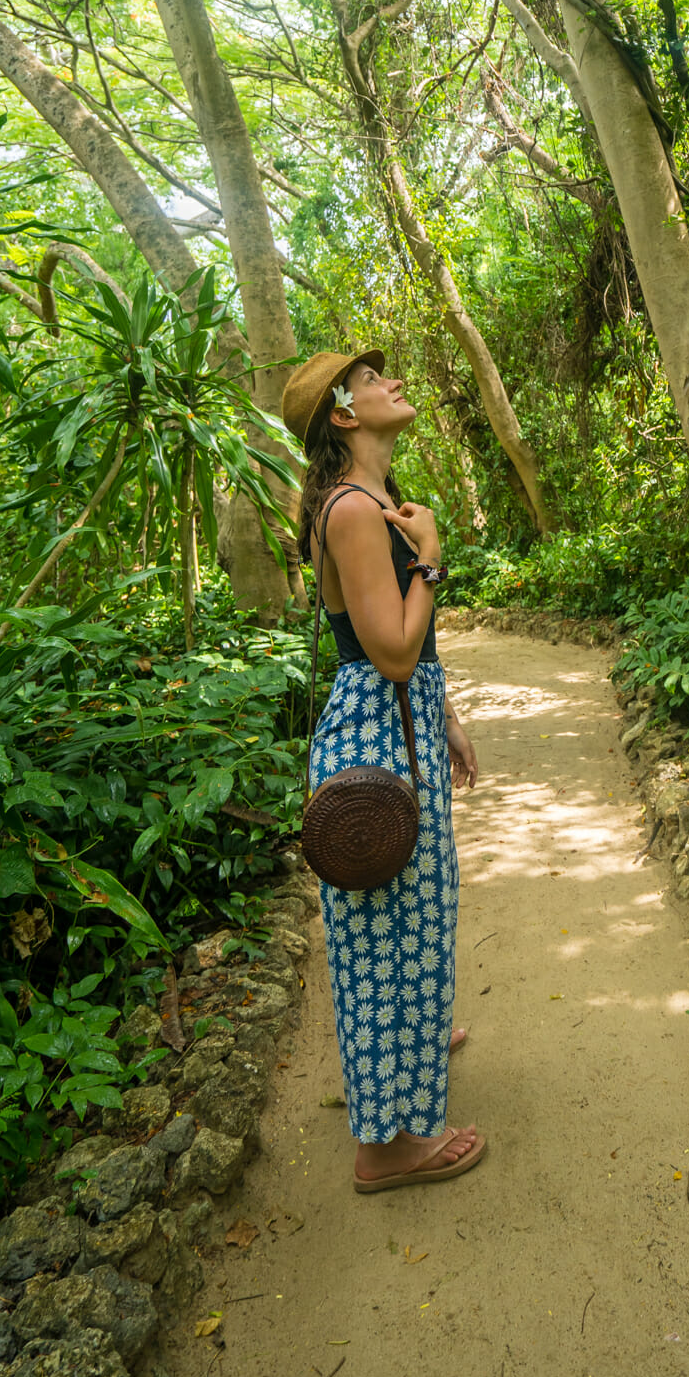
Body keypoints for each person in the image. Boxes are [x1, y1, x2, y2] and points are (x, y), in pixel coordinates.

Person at [281, 348, 486, 1193]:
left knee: (416, 910)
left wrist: (445, 716)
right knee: (381, 936)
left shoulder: (368, 502)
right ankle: (389, 1148)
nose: (393, 382)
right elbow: (392, 653)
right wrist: (433, 559)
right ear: (343, 415)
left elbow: (405, 657)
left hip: (395, 724)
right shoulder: (355, 512)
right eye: (372, 380)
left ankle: (415, 1032)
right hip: (374, 730)